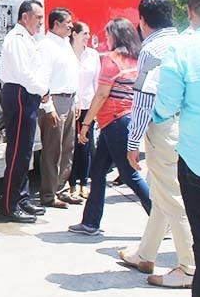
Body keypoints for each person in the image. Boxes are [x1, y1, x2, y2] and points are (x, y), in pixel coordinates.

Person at [119, 0, 193, 288]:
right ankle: (145, 253)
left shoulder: (152, 49)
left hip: (163, 128)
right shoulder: (187, 40)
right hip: (186, 124)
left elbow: (143, 100)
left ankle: (189, 267)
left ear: (142, 20)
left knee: (172, 198)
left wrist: (133, 141)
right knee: (163, 194)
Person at [68, 17, 151, 235]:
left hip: (115, 121)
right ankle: (90, 222)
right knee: (97, 171)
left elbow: (102, 94)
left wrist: (86, 124)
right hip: (122, 120)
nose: (106, 39)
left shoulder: (113, 59)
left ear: (116, 36)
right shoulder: (136, 58)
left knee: (129, 174)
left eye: (108, 35)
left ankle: (161, 218)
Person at [152, 0, 200, 296]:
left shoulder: (181, 49)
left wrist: (159, 118)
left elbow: (166, 106)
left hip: (198, 161)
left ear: (189, 12)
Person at [0, 0, 49, 223]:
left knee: (26, 151)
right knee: (18, 153)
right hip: (20, 94)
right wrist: (43, 91)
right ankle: (9, 205)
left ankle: (22, 198)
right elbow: (24, 74)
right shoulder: (17, 39)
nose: (40, 22)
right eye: (37, 17)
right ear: (24, 17)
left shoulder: (27, 39)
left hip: (28, 94)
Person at [36, 8, 81, 208]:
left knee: (68, 148)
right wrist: (48, 107)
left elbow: (72, 74)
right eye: (67, 22)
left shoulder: (65, 44)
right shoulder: (46, 46)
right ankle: (48, 194)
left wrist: (76, 99)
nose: (71, 26)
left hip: (69, 100)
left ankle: (61, 189)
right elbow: (43, 78)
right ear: (56, 24)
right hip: (54, 100)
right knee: (52, 150)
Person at [67, 22, 100, 199]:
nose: (88, 37)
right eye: (84, 33)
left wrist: (97, 106)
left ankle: (83, 183)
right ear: (74, 34)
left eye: (88, 33)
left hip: (88, 105)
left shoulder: (92, 55)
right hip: (72, 104)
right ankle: (71, 184)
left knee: (86, 145)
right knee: (71, 146)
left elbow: (97, 81)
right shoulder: (67, 53)